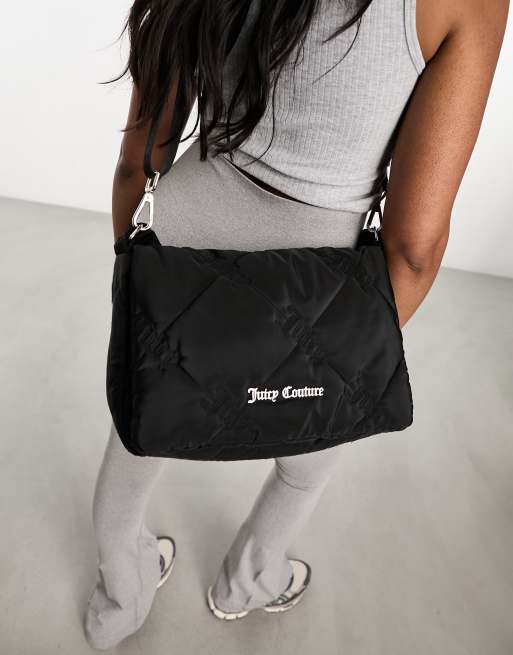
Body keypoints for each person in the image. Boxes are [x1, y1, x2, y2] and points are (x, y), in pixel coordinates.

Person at [83, 0, 508, 649]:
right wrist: (344, 343)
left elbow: (137, 161)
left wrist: (140, 282)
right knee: (304, 462)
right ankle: (249, 581)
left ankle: (120, 597)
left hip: (185, 236)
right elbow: (415, 248)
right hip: (325, 282)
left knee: (142, 431)